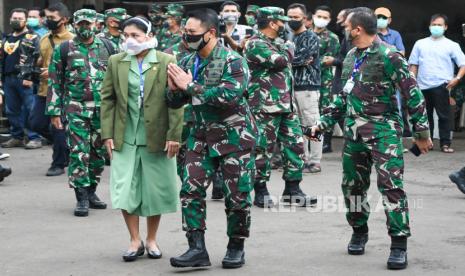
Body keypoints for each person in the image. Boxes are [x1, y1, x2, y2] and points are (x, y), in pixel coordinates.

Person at [310, 7, 432, 270]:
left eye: (346, 26)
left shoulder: (390, 55)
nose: (343, 29)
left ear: (357, 29)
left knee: (391, 188)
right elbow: (344, 94)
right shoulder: (352, 55)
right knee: (352, 186)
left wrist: (421, 133)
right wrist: (323, 123)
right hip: (354, 132)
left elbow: (412, 93)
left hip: (383, 132)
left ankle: (399, 244)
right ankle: (359, 230)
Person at [166, 8, 257, 269]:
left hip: (234, 138)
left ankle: (235, 246)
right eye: (185, 32)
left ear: (211, 33)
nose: (187, 37)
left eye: (193, 33)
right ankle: (197, 249)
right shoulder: (186, 62)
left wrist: (189, 86)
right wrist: (174, 91)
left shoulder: (233, 60)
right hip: (201, 136)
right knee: (190, 190)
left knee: (237, 196)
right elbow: (174, 103)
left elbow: (228, 97)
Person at [101, 16, 183, 262]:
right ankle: (134, 240)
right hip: (124, 136)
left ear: (148, 35)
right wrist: (107, 133)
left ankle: (152, 239)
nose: (129, 40)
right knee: (125, 189)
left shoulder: (166, 60)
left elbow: (176, 100)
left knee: (154, 190)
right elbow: (108, 99)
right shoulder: (116, 62)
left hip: (156, 136)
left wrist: (174, 135)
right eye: (125, 35)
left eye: (135, 35)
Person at [244, 6, 317, 208]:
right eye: (281, 21)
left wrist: (286, 45)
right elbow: (281, 61)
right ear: (272, 23)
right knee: (262, 149)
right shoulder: (255, 44)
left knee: (295, 145)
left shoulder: (277, 42)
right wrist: (290, 46)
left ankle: (293, 189)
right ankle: (260, 190)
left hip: (286, 105)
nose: (285, 24)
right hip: (264, 106)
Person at [46, 9, 113, 217]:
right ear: (75, 24)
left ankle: (92, 191)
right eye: (81, 23)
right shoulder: (64, 48)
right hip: (76, 109)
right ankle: (81, 197)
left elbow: (117, 79)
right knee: (78, 152)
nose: (85, 27)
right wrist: (54, 111)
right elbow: (55, 81)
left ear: (96, 24)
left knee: (98, 154)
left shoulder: (109, 46)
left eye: (88, 23)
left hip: (102, 110)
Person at [409, 14, 465, 153]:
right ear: (429, 26)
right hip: (421, 85)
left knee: (444, 116)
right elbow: (413, 64)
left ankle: (445, 143)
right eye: (434, 24)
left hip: (443, 85)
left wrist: (457, 79)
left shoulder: (452, 45)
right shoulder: (420, 43)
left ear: (445, 27)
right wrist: (412, 81)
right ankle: (425, 143)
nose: (436, 27)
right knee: (423, 117)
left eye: (439, 25)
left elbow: (463, 65)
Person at [30, 2, 73, 177]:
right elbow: (42, 59)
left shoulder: (72, 40)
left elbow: (79, 68)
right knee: (35, 124)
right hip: (43, 89)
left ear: (64, 19)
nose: (48, 21)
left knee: (58, 128)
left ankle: (59, 163)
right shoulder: (44, 38)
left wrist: (54, 72)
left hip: (63, 91)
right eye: (46, 17)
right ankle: (66, 145)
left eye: (52, 18)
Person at [287, 3, 322, 174]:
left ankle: (315, 161)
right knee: (298, 126)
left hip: (308, 87)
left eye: (296, 17)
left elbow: (304, 58)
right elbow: (296, 59)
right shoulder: (290, 38)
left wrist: (286, 59)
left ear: (305, 19)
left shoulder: (311, 37)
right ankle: (304, 159)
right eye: (290, 17)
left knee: (312, 125)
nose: (292, 20)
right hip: (292, 87)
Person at [0, 8, 42, 149]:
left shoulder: (33, 38)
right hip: (8, 79)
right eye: (14, 18)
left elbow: (37, 58)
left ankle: (34, 137)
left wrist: (30, 76)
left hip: (25, 79)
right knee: (11, 110)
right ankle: (17, 136)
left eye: (19, 19)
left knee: (30, 108)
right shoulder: (6, 38)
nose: (16, 21)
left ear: (25, 21)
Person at [312, 5, 340, 154]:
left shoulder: (332, 38)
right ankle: (312, 139)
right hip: (306, 79)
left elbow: (328, 59)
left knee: (325, 108)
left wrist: (308, 62)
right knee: (310, 110)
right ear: (313, 16)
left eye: (325, 17)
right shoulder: (306, 34)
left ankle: (326, 143)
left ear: (329, 20)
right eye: (319, 16)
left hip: (324, 79)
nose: (321, 19)